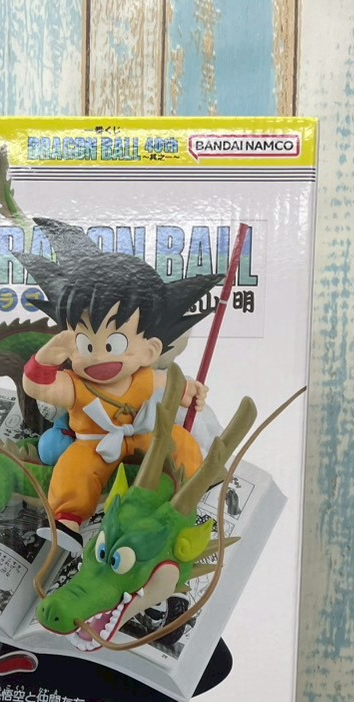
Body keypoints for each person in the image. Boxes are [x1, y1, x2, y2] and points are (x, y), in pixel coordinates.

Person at [18, 218, 224, 549]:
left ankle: (176, 500)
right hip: (95, 445)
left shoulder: (146, 377)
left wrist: (194, 393)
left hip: (144, 438)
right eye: (87, 344)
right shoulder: (77, 385)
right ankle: (67, 521)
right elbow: (38, 387)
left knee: (182, 445)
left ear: (149, 350)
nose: (98, 356)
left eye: (113, 344)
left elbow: (176, 389)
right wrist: (46, 358)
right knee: (74, 467)